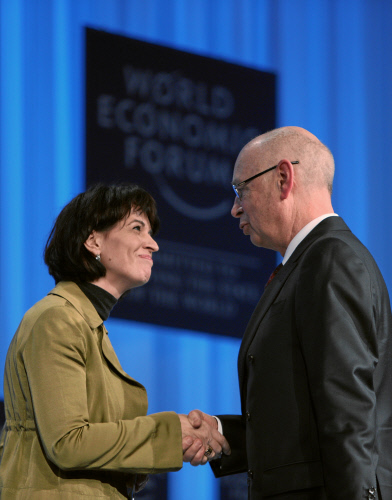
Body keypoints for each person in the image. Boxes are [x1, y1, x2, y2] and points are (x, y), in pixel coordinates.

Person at [188, 127, 392, 499]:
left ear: (284, 178)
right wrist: (219, 432)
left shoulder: (330, 259)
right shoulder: (308, 263)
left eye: (241, 190)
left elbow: (348, 416)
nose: (235, 208)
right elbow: (302, 421)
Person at [0, 183, 230, 499]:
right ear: (93, 240)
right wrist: (167, 433)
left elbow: (97, 446)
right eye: (137, 228)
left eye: (151, 233)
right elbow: (68, 443)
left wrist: (180, 441)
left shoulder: (87, 325)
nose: (153, 245)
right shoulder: (58, 318)